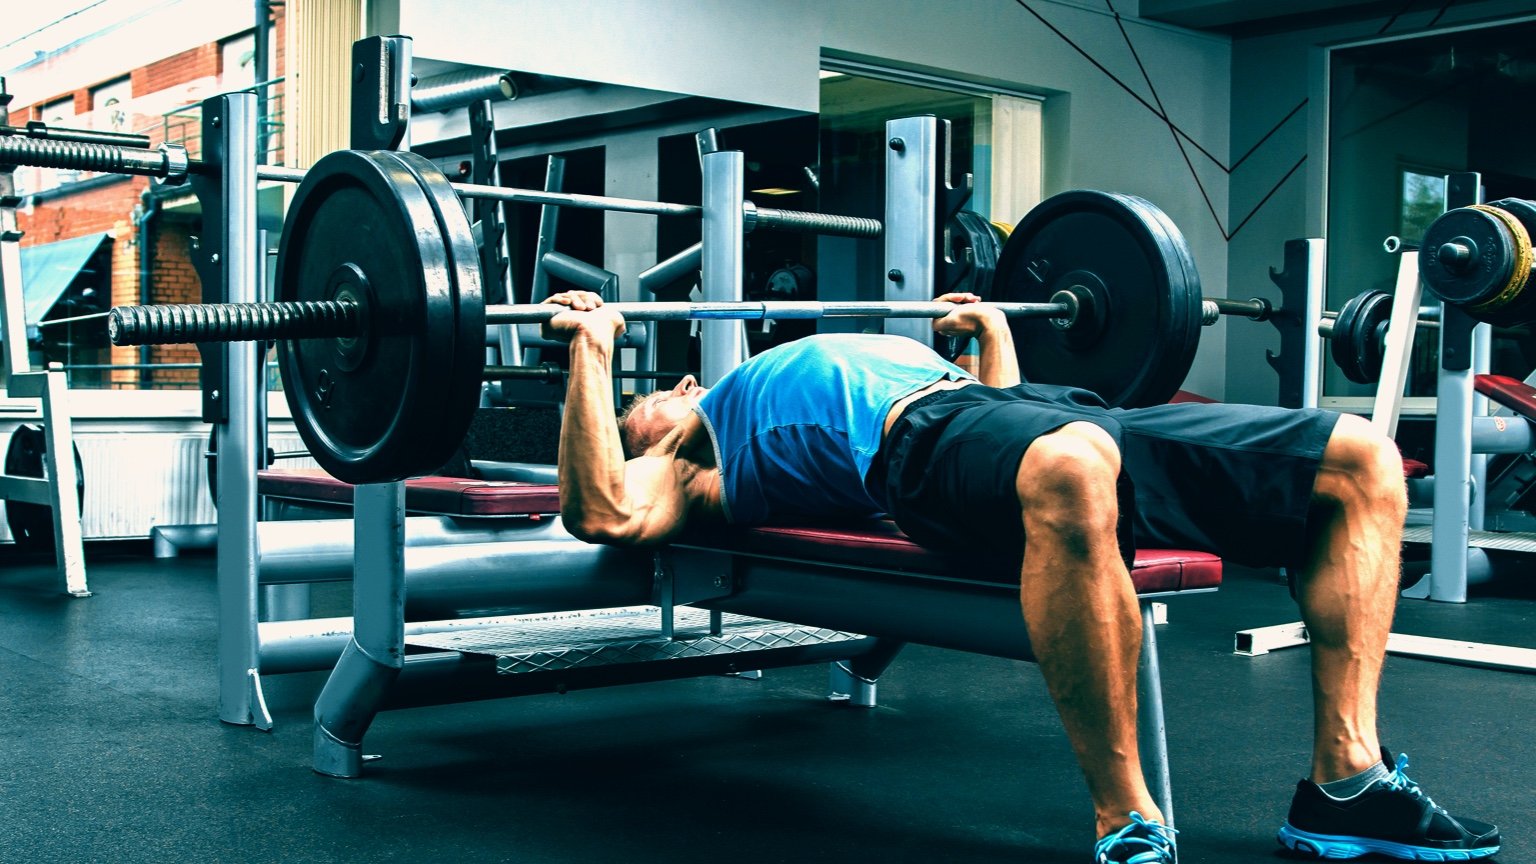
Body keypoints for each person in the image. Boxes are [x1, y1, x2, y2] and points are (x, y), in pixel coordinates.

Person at [542, 288, 1501, 864]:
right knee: (1073, 466)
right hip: (916, 446)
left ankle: (1345, 783)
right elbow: (601, 511)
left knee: (1362, 459)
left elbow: (999, 416)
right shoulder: (697, 462)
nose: (653, 406)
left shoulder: (728, 385)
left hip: (1020, 407)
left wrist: (993, 334)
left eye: (649, 395)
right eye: (635, 412)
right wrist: (592, 354)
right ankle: (1127, 817)